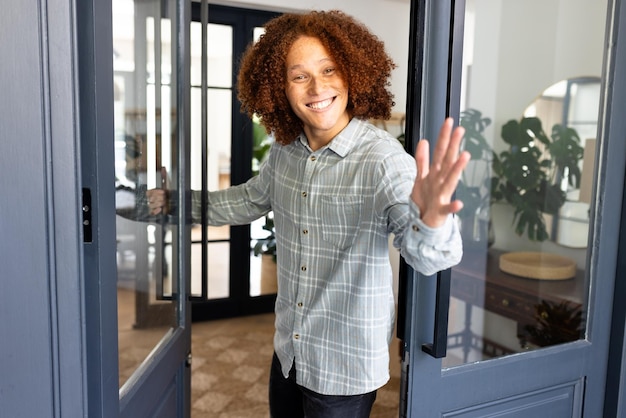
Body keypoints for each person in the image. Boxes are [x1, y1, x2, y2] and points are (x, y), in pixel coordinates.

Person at [148, 9, 469, 418]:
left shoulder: (385, 161)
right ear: (280, 87)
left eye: (330, 69)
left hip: (343, 368)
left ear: (353, 73)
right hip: (290, 350)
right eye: (299, 75)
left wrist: (434, 222)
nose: (317, 87)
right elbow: (249, 199)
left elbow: (428, 256)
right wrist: (174, 202)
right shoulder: (286, 149)